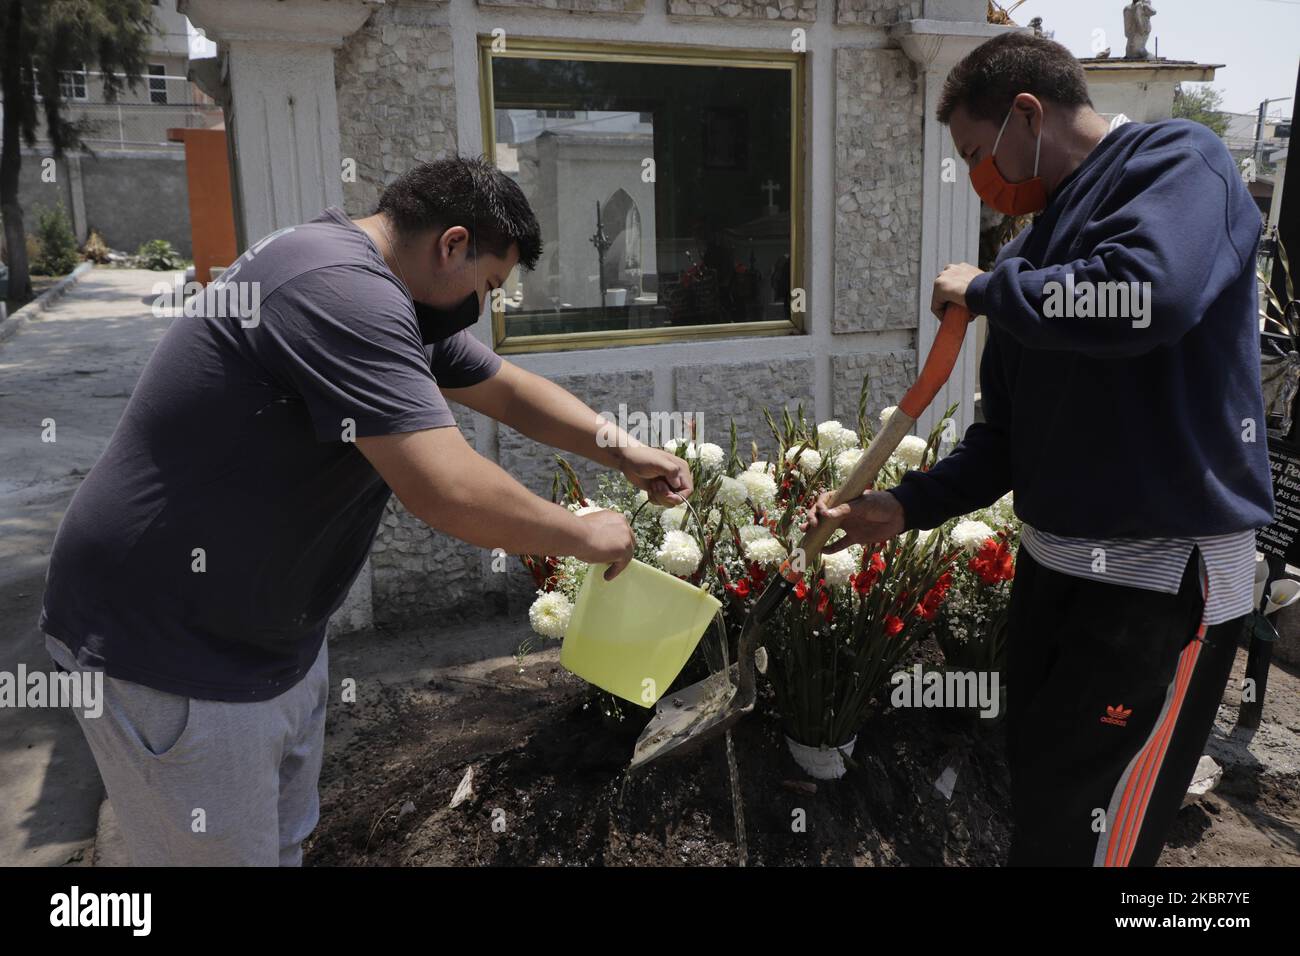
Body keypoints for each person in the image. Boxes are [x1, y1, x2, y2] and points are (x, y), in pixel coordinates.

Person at [40, 155, 691, 865]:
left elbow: (506, 390)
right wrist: (581, 534)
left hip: (266, 638)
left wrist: (624, 451)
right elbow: (444, 486)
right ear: (451, 244)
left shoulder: (385, 291)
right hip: (168, 645)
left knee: (279, 846)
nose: (485, 304)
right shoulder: (338, 290)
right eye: (490, 284)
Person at [810, 32, 1272, 866]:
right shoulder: (1031, 254)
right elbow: (1003, 444)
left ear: (1028, 113)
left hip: (1158, 585)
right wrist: (901, 506)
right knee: (1049, 804)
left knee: (1101, 825)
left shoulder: (1177, 162)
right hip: (1056, 576)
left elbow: (1147, 296)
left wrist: (988, 291)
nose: (982, 184)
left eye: (978, 154)